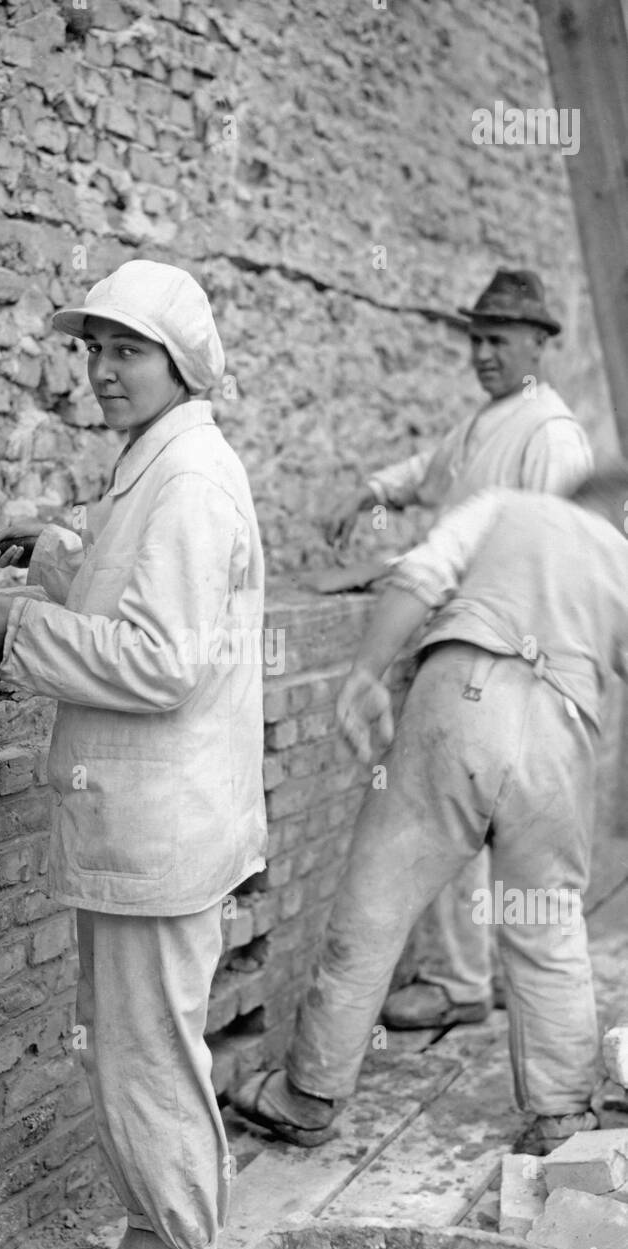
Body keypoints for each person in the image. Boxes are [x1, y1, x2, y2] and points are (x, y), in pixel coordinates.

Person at [0, 259, 267, 1249]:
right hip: (144, 822)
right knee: (131, 1055)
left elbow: (162, 657)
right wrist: (55, 553)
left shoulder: (185, 477)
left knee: (147, 1067)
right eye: (92, 348)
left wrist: (21, 624)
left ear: (178, 362)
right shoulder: (158, 459)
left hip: (160, 830)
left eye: (126, 350)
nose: (101, 369)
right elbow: (138, 586)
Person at [232, 470, 628, 1157]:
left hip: (461, 702)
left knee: (374, 905)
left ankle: (309, 1095)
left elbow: (420, 575)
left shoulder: (507, 507)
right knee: (546, 922)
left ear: (569, 499)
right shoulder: (620, 561)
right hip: (560, 741)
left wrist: (365, 671)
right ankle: (560, 1114)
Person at [326, 268, 593, 1032]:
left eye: (499, 340)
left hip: (514, 658)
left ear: (540, 344)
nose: (482, 353)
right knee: (465, 826)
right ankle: (470, 976)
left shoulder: (550, 434)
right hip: (471, 653)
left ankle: (471, 982)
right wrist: (371, 492)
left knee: (477, 825)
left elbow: (560, 554)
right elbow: (427, 475)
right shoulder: (488, 421)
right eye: (476, 338)